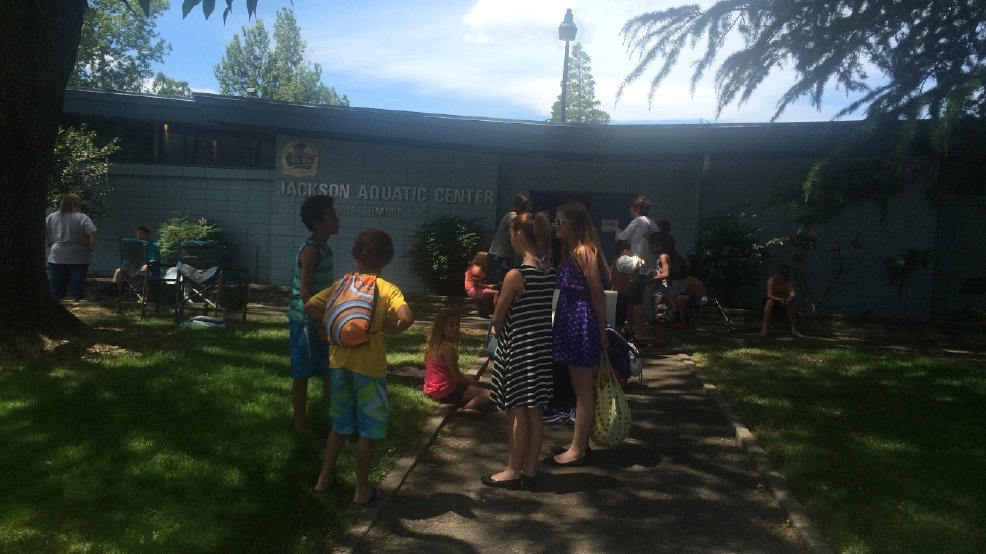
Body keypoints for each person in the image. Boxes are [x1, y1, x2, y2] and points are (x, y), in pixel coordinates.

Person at [306, 229, 414, 508]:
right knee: (368, 430)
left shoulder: (342, 284)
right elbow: (407, 316)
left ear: (356, 256)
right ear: (386, 259)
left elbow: (308, 306)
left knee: (339, 425)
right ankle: (361, 491)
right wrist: (391, 328)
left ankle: (323, 480)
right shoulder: (387, 288)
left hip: (339, 363)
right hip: (370, 368)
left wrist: (335, 321)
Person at [484, 211, 556, 489]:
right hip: (539, 348)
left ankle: (512, 470)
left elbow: (498, 317)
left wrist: (494, 329)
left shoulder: (516, 275)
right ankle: (529, 470)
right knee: (534, 409)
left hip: (518, 348)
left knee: (515, 409)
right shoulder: (548, 272)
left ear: (518, 235)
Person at [547, 202, 609, 467]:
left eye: (561, 222)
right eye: (555, 222)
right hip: (571, 320)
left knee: (583, 388)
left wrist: (602, 327)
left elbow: (596, 292)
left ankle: (578, 449)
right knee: (578, 385)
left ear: (575, 225)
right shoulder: (572, 251)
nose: (556, 226)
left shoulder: (584, 251)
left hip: (580, 321)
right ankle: (580, 442)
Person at [286, 195, 340, 440]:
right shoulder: (311, 251)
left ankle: (338, 420)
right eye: (332, 216)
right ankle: (300, 424)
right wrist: (319, 323)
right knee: (303, 373)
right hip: (306, 321)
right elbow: (304, 292)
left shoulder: (325, 248)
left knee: (329, 369)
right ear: (318, 222)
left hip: (322, 319)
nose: (337, 220)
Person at [424, 310, 491, 413]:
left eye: (457, 325)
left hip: (431, 389)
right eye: (451, 325)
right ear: (441, 328)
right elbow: (457, 377)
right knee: (489, 395)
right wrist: (470, 382)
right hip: (447, 391)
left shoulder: (432, 346)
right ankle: (466, 408)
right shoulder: (448, 348)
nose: (456, 328)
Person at [615, 196, 657, 344]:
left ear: (637, 209)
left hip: (636, 268)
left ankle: (639, 334)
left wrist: (617, 231)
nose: (629, 210)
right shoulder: (652, 224)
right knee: (633, 299)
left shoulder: (638, 221)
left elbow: (622, 237)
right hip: (647, 267)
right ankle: (629, 328)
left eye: (631, 208)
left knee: (637, 301)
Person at [45, 193, 98, 301]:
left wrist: (47, 242)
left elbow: (43, 229)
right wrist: (91, 246)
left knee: (57, 280)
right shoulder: (82, 217)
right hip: (78, 253)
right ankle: (76, 299)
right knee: (77, 279)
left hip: (58, 253)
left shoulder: (53, 216)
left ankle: (56, 298)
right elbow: (93, 232)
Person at [487, 194, 533, 286]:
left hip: (503, 256)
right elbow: (520, 232)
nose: (531, 208)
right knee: (500, 286)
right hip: (500, 256)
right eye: (529, 205)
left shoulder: (512, 216)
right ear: (524, 206)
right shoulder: (513, 217)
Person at [645, 233, 673, 351]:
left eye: (651, 246)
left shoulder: (663, 257)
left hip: (660, 293)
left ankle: (658, 343)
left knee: (658, 319)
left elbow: (666, 274)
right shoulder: (660, 258)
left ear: (659, 246)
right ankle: (660, 342)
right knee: (660, 319)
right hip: (660, 292)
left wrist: (650, 280)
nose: (649, 248)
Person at [609, 239, 642, 337]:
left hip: (615, 294)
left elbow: (610, 279)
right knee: (619, 323)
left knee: (616, 321)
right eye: (629, 251)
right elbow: (633, 278)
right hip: (620, 295)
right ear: (624, 251)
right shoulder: (621, 263)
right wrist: (637, 267)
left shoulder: (615, 263)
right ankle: (617, 342)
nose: (630, 254)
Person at [760, 265, 804, 338]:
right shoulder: (771, 280)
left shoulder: (788, 282)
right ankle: (764, 330)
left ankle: (794, 330)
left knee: (791, 304)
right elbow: (768, 295)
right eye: (776, 274)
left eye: (780, 276)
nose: (777, 277)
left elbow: (792, 294)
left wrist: (787, 300)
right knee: (769, 302)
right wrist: (780, 299)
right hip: (773, 301)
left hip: (784, 303)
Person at [670, 254, 707, 329]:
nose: (685, 262)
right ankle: (677, 319)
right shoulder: (687, 273)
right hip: (693, 294)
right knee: (673, 295)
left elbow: (697, 293)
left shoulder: (692, 276)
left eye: (687, 260)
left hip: (701, 297)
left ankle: (686, 321)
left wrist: (690, 295)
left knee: (680, 298)